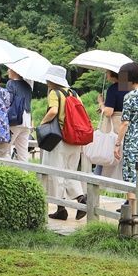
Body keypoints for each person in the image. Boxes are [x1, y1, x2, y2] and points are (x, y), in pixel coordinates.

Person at [40, 65, 87, 220]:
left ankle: (61, 208)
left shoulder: (54, 93)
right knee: (70, 171)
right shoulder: (74, 93)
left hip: (60, 139)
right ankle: (81, 199)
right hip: (75, 139)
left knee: (57, 173)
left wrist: (42, 123)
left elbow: (53, 111)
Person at [95, 70, 128, 179]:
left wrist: (101, 103)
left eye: (107, 72)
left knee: (103, 153)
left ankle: (95, 183)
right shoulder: (129, 87)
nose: (106, 74)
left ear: (113, 74)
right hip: (127, 126)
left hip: (114, 126)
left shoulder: (113, 89)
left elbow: (109, 112)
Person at [6, 67, 33, 162]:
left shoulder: (11, 83)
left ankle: (7, 173)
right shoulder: (27, 85)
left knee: (5, 149)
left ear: (15, 70)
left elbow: (8, 101)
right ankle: (24, 174)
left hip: (15, 120)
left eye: (9, 69)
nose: (7, 71)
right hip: (27, 121)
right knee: (23, 151)